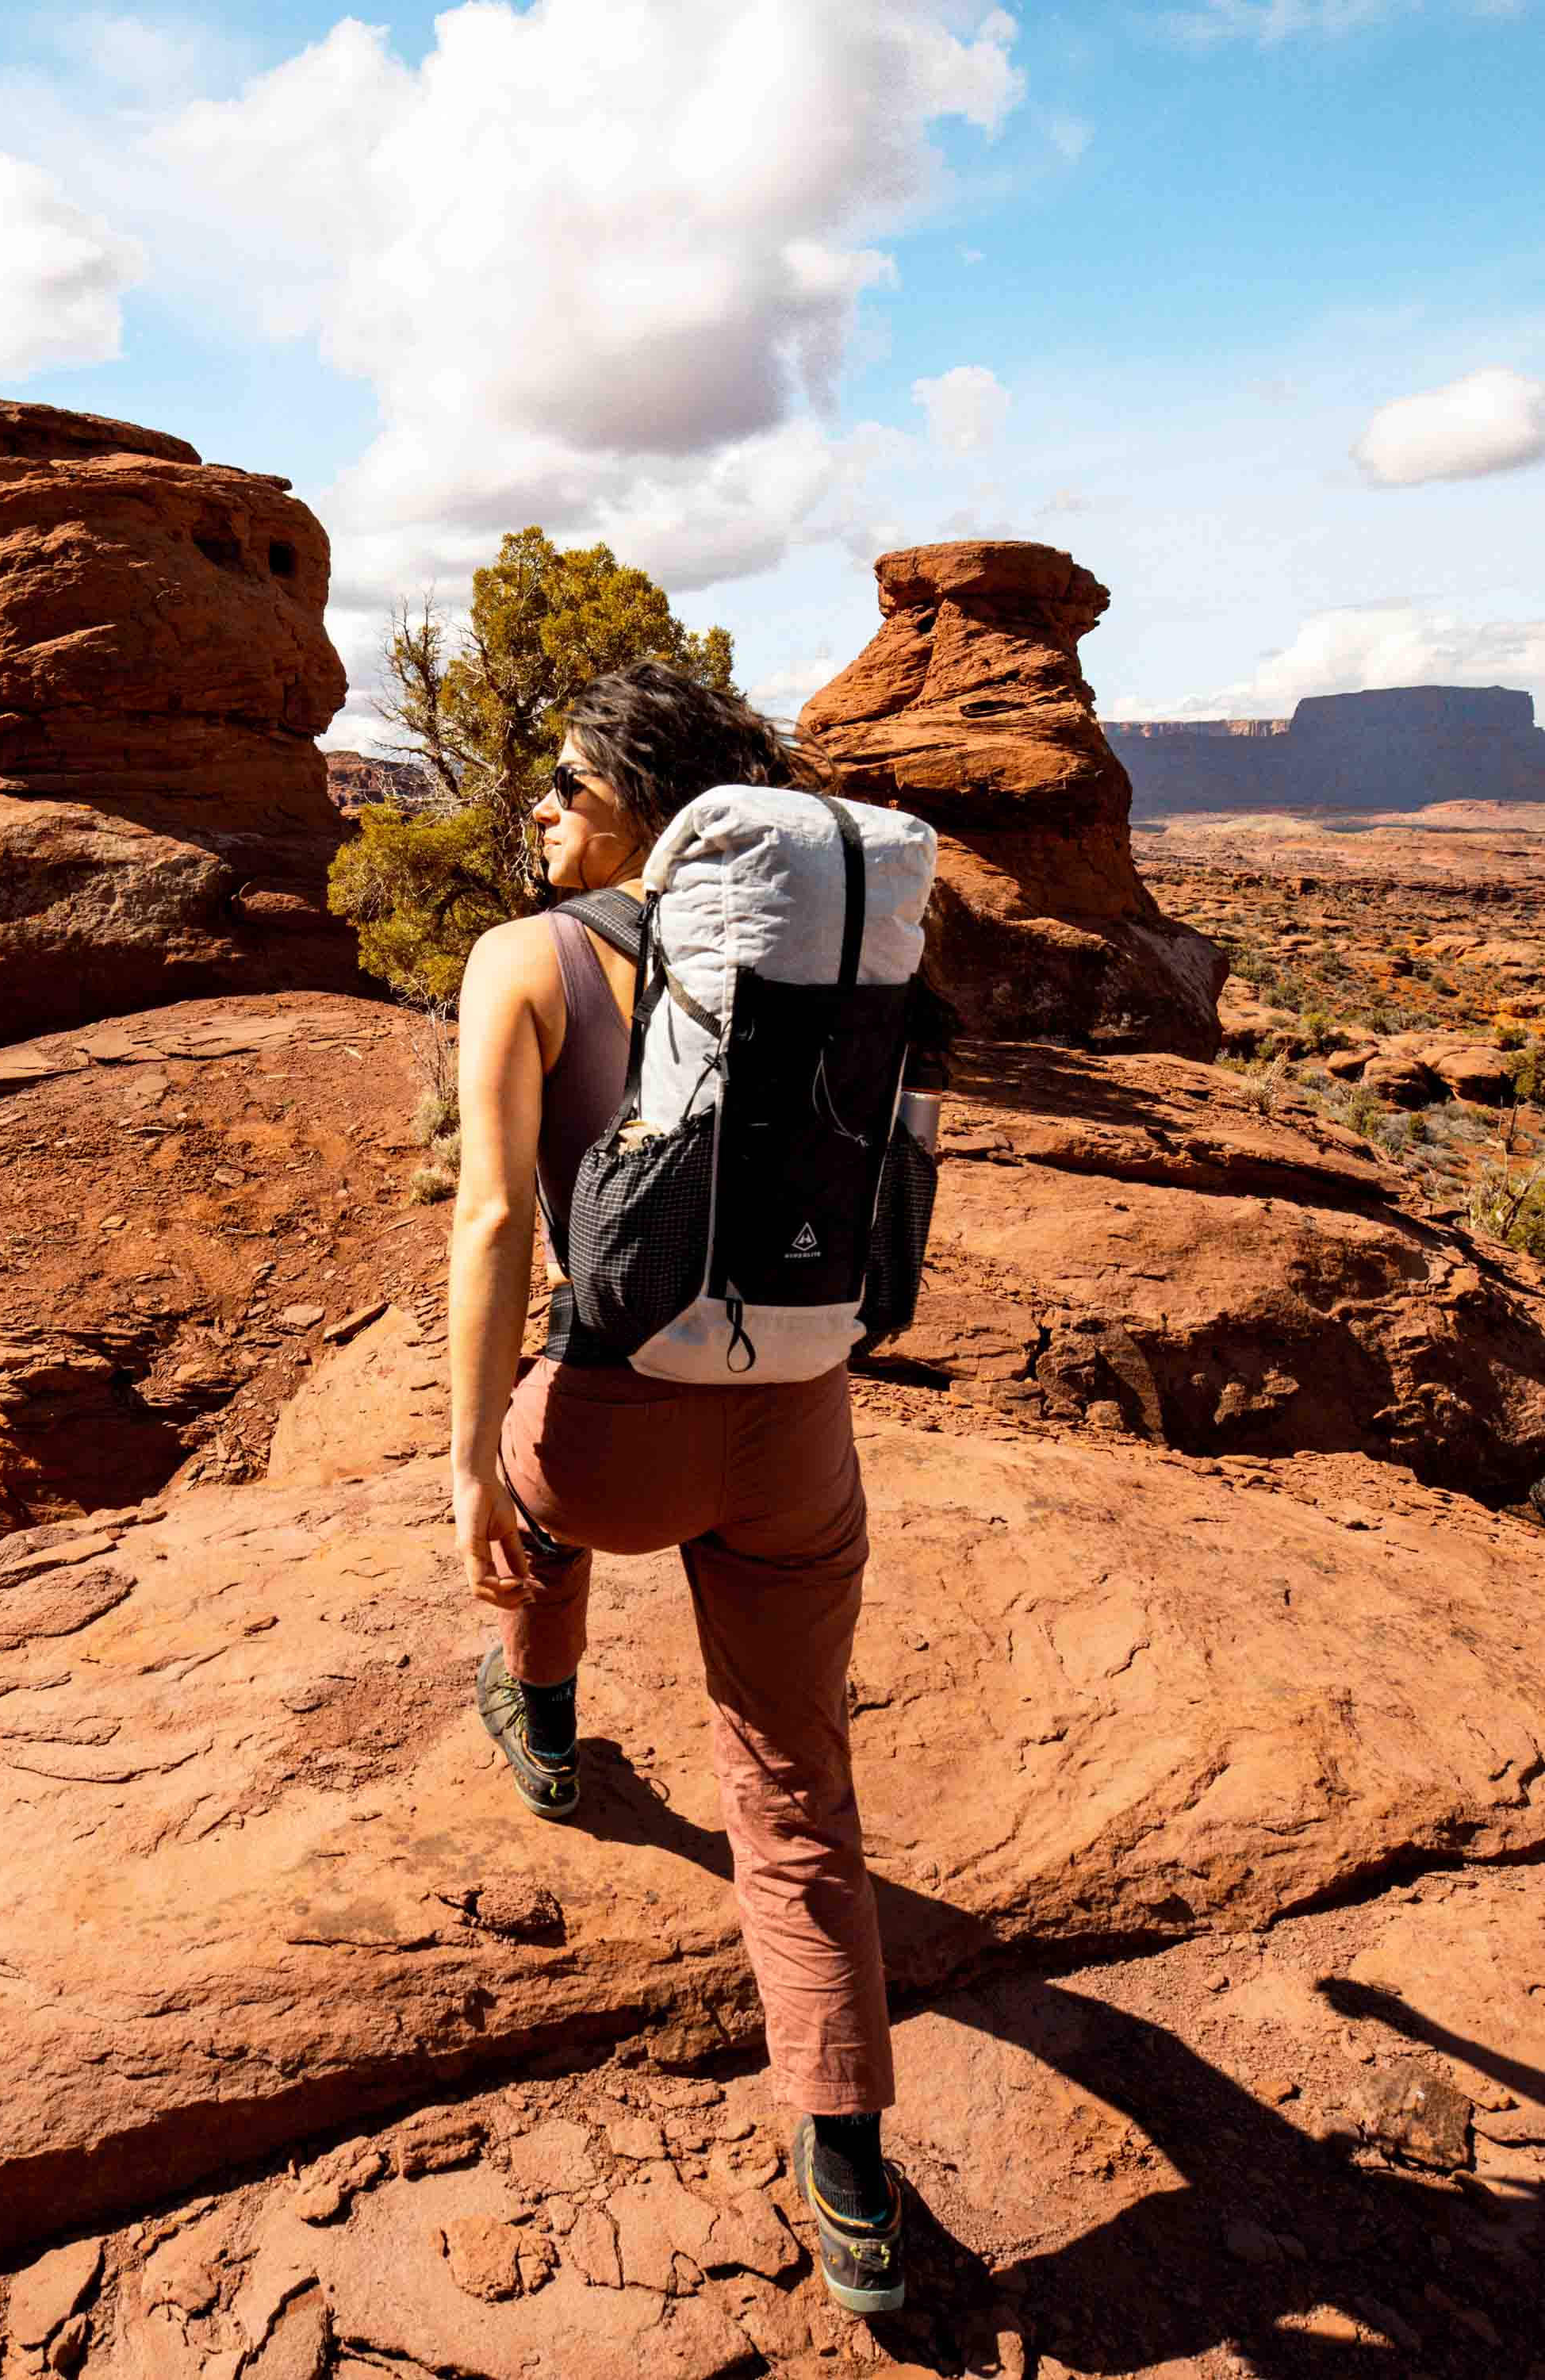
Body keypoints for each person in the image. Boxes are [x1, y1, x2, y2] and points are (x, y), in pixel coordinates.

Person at [446, 658, 914, 2316]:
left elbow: (499, 1228)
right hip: (795, 1421)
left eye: (568, 784)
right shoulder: (813, 957)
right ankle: (849, 2172)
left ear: (649, 804)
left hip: (611, 1437)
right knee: (796, 1794)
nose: (542, 810)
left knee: (531, 1480)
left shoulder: (524, 958)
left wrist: (469, 1467)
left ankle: (546, 1718)